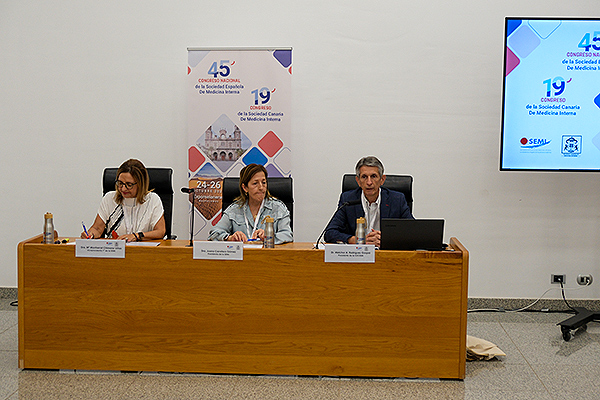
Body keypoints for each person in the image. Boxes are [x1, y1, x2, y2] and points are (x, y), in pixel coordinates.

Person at [324, 156, 413, 247]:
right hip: (357, 254)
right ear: (358, 181)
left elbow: (412, 232)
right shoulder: (348, 199)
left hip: (386, 254)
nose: (369, 182)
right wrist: (357, 240)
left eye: (373, 176)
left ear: (382, 179)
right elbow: (330, 233)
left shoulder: (397, 200)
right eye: (364, 177)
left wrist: (387, 239)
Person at [81, 159, 166, 242]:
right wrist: (90, 234)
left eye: (129, 185)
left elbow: (160, 231)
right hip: (115, 251)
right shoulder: (110, 198)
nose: (123, 188)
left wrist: (136, 236)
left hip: (143, 251)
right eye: (120, 183)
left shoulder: (152, 200)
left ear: (141, 184)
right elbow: (97, 228)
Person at [208, 164, 293, 244]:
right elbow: (214, 233)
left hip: (269, 257)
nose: (261, 187)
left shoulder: (278, 208)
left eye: (263, 182)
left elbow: (287, 235)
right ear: (245, 188)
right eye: (255, 183)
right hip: (242, 257)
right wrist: (229, 238)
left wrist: (269, 237)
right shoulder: (234, 210)